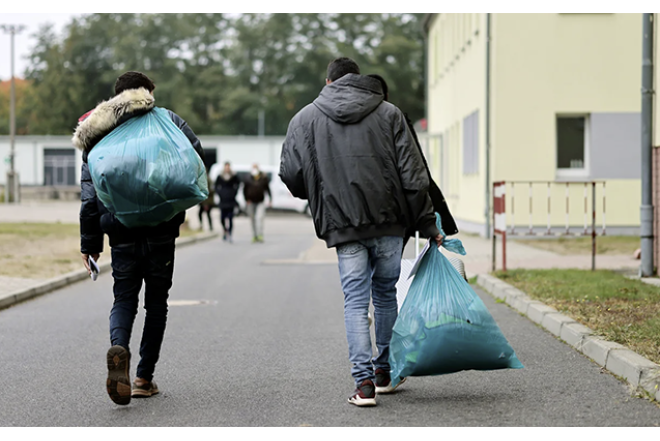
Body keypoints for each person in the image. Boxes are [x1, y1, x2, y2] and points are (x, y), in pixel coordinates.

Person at [279, 57, 443, 407]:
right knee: (385, 294)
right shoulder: (389, 113)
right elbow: (414, 176)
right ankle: (384, 372)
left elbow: (291, 173)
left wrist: (320, 190)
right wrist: (428, 223)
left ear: (329, 83)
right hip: (389, 222)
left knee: (355, 301)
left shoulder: (305, 118)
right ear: (360, 79)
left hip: (342, 223)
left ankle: (364, 385)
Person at [73, 71, 204, 406]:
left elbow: (90, 197)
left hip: (120, 230)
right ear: (148, 92)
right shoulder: (168, 121)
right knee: (157, 303)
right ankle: (144, 378)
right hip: (162, 228)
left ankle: (120, 349)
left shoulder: (99, 133)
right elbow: (193, 159)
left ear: (116, 98)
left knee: (123, 299)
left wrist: (90, 245)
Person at [366, 74, 459, 250]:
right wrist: (428, 222)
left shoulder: (358, 125)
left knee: (370, 273)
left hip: (365, 216)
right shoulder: (396, 120)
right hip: (398, 213)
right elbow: (415, 173)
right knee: (385, 273)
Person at [243, 163, 272, 243]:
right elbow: (244, 190)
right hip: (251, 202)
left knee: (259, 218)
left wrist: (270, 199)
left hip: (260, 201)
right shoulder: (248, 178)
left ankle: (260, 234)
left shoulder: (263, 178)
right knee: (252, 219)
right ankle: (254, 235)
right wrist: (246, 199)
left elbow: (267, 189)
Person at [214, 161, 240, 242]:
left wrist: (234, 192)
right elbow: (215, 186)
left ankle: (230, 233)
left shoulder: (234, 176)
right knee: (222, 218)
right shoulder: (220, 176)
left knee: (230, 218)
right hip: (223, 200)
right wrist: (220, 193)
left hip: (231, 200)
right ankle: (225, 230)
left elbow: (238, 184)